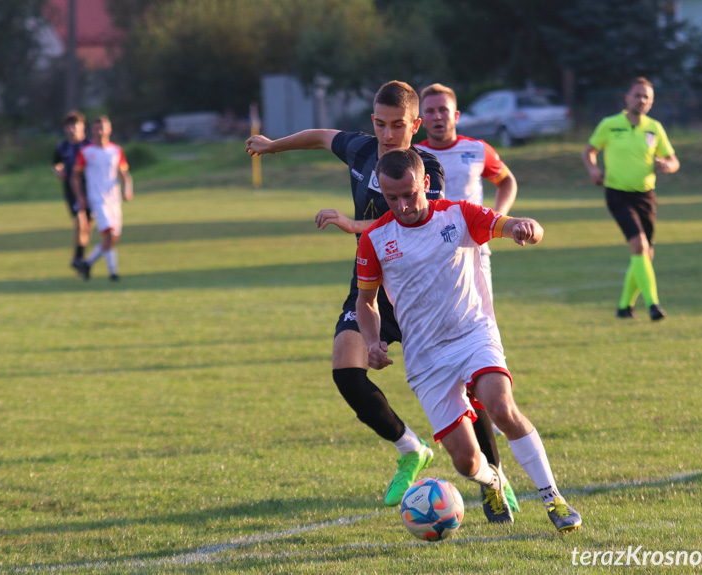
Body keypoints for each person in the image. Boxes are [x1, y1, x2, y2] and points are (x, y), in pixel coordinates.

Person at [247, 81, 508, 514]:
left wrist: (351, 225)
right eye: (382, 125)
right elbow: (319, 136)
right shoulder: (362, 150)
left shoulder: (426, 170)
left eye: (399, 125)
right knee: (346, 372)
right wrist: (273, 146)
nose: (389, 135)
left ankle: (494, 479)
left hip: (422, 292)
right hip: (369, 288)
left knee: (467, 387)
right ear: (373, 122)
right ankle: (411, 448)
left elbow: (411, 221)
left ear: (414, 125)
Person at [356, 148, 582, 533]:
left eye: (409, 194)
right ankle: (494, 481)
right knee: (465, 461)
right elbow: (366, 301)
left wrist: (526, 227)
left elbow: (511, 226)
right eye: (392, 198)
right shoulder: (376, 238)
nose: (402, 205)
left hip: (473, 334)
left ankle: (553, 499)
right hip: (426, 358)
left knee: (500, 405)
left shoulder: (458, 214)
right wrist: (373, 340)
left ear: (425, 183)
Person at [415, 83, 520, 514]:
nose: (439, 116)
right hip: (423, 268)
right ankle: (487, 471)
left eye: (445, 110)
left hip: (473, 261)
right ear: (421, 118)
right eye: (431, 111)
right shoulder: (413, 156)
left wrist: (503, 215)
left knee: (478, 370)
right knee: (450, 373)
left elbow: (506, 178)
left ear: (456, 115)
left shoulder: (477, 149)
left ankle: (493, 477)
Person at [581, 77, 680, 320]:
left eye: (647, 97)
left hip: (646, 196)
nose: (642, 100)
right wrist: (593, 170)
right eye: (637, 95)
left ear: (652, 102)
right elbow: (589, 151)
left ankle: (624, 307)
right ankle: (653, 305)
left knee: (647, 254)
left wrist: (667, 164)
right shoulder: (610, 124)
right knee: (639, 246)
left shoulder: (654, 128)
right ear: (627, 98)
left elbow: (674, 160)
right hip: (617, 194)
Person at [72, 115, 133, 281]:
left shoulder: (116, 150)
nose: (100, 132)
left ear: (109, 130)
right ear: (92, 130)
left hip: (115, 198)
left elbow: (124, 173)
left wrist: (127, 189)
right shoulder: (86, 152)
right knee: (110, 235)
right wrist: (80, 198)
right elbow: (75, 177)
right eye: (97, 128)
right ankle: (113, 273)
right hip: (97, 198)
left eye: (103, 128)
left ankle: (89, 263)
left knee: (114, 236)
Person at [52, 110, 92, 275]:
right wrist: (58, 171)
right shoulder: (62, 147)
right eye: (69, 126)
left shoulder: (89, 146)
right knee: (80, 223)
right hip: (72, 190)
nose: (72, 129)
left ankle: (80, 258)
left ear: (82, 126)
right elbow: (56, 163)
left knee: (88, 227)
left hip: (91, 189)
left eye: (75, 125)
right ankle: (78, 257)